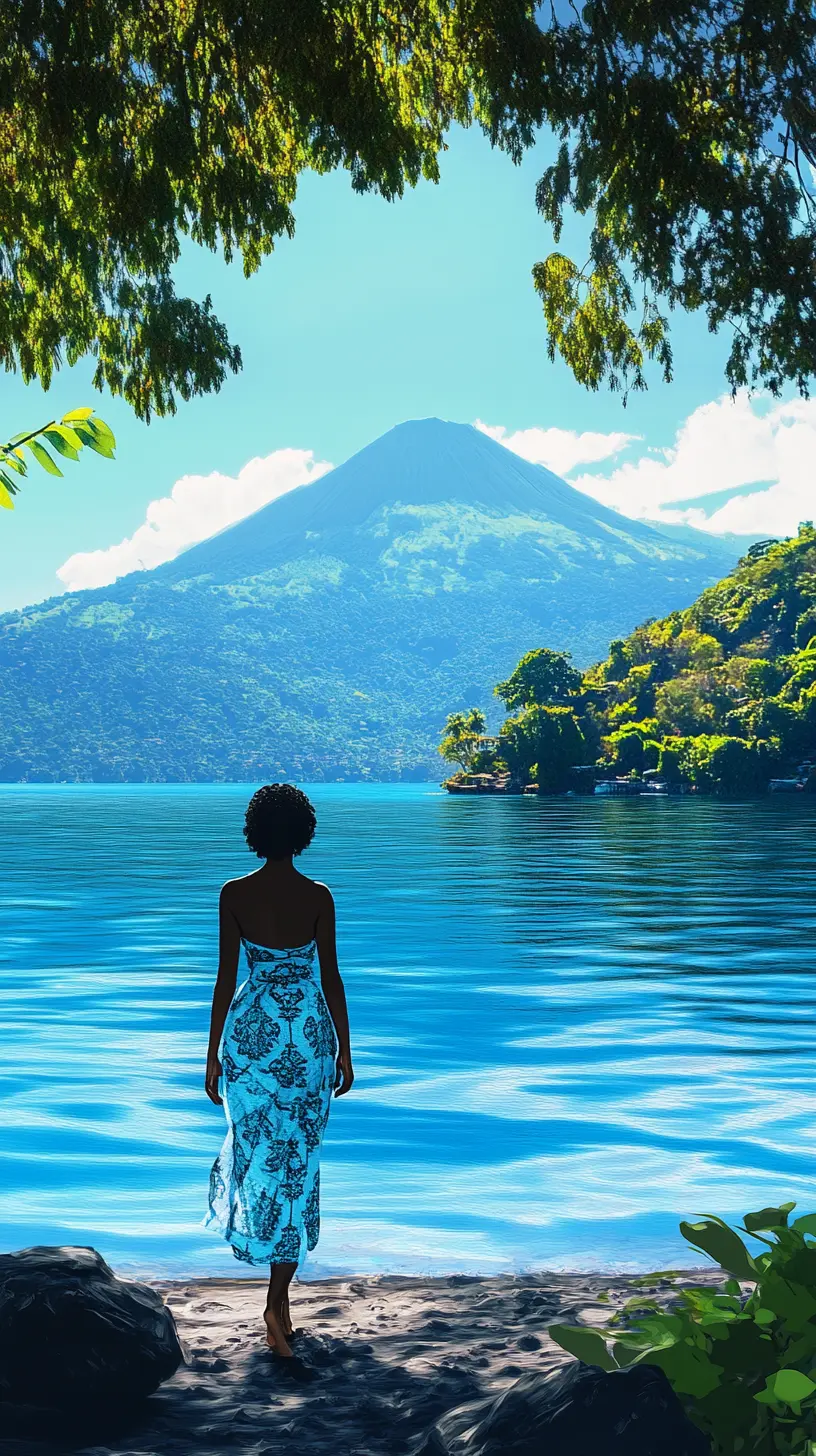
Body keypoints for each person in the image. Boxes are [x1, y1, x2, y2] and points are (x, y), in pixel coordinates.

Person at [202, 783, 354, 1356]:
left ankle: (277, 1307)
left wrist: (212, 1053)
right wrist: (345, 1048)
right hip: (307, 1038)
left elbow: (224, 978)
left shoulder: (234, 894)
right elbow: (331, 977)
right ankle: (277, 1304)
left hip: (251, 1037)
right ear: (303, 832)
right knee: (299, 1164)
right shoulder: (318, 896)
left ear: (257, 831)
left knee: (263, 1158)